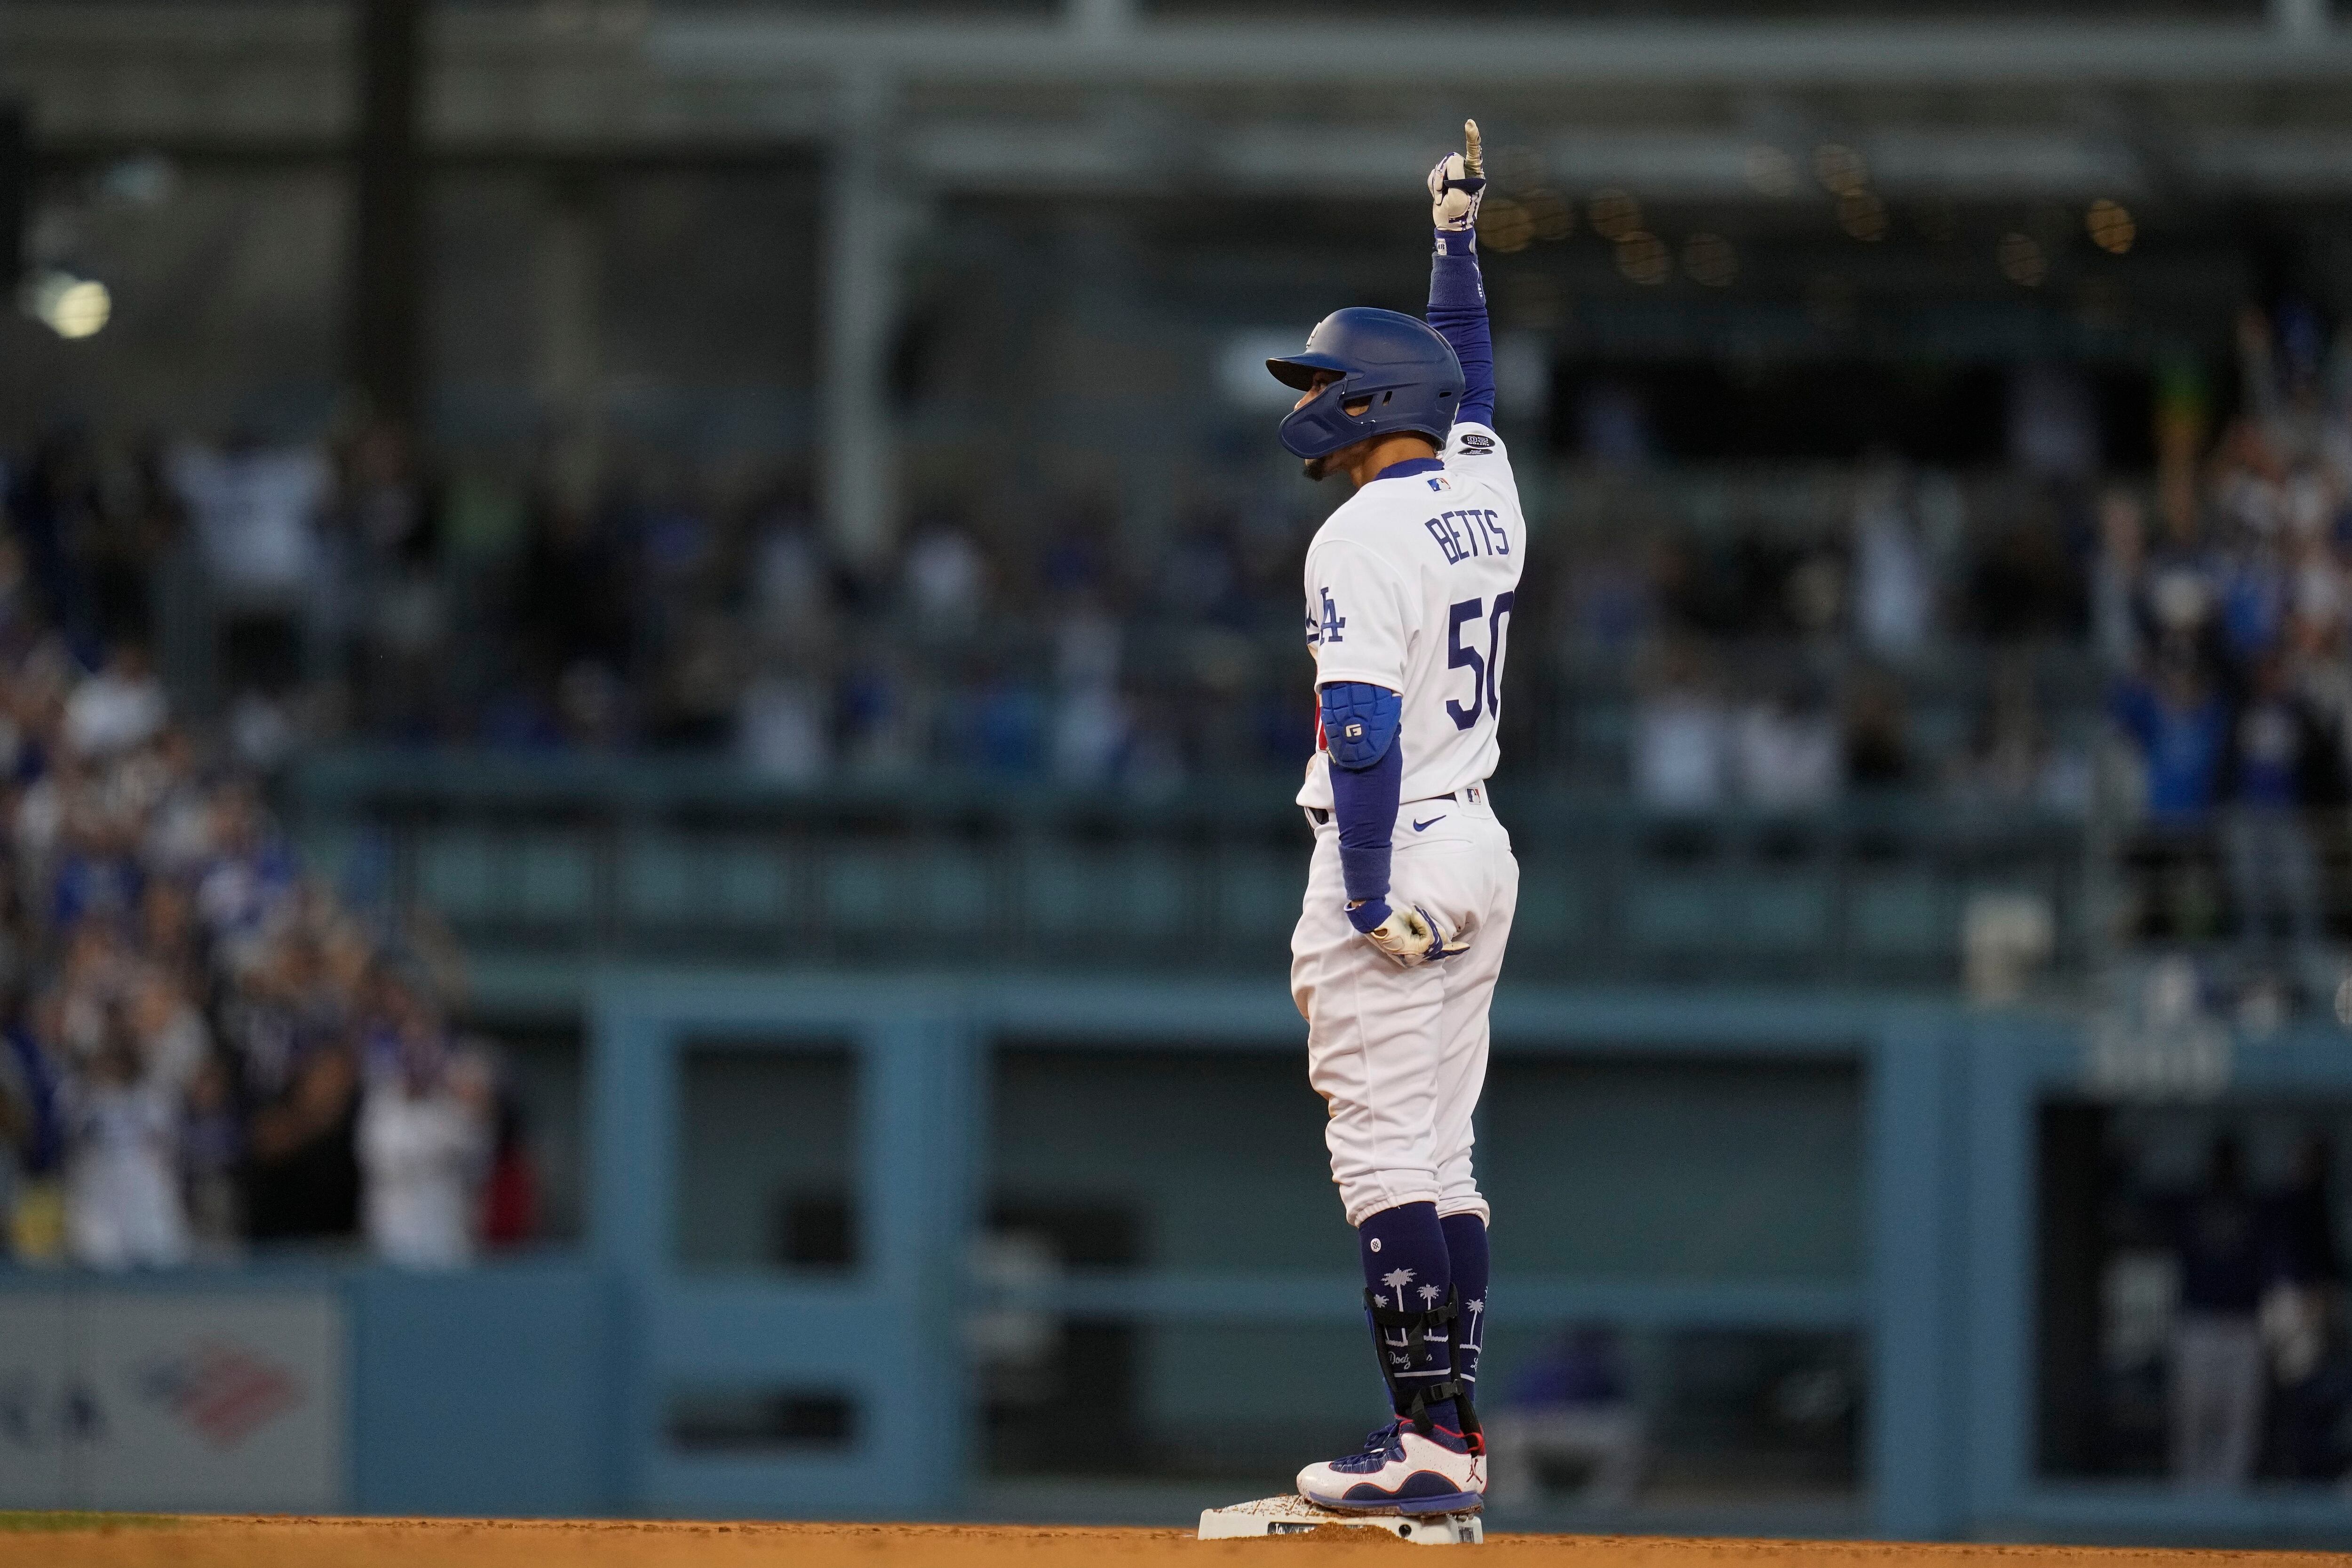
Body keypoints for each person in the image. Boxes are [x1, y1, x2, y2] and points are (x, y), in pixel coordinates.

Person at [1279, 123, 1519, 1518]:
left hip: (1402, 834)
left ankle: (1423, 1446)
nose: (1312, 397)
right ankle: (1455, 1434)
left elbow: (1358, 735)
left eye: (1325, 379)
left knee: (1382, 1155)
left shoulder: (1358, 535)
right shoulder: (1486, 485)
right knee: (1439, 1153)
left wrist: (1367, 896)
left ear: (1371, 399)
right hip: (1477, 839)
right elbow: (1466, 381)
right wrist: (1454, 246)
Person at [2168, 1134, 2267, 1488]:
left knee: (2241, 1420)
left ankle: (2232, 1503)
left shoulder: (2256, 1205)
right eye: (2221, 1162)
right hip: (2199, 1323)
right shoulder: (2190, 1202)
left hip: (2242, 1324)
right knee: (2193, 1417)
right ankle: (2189, 1501)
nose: (2225, 1170)